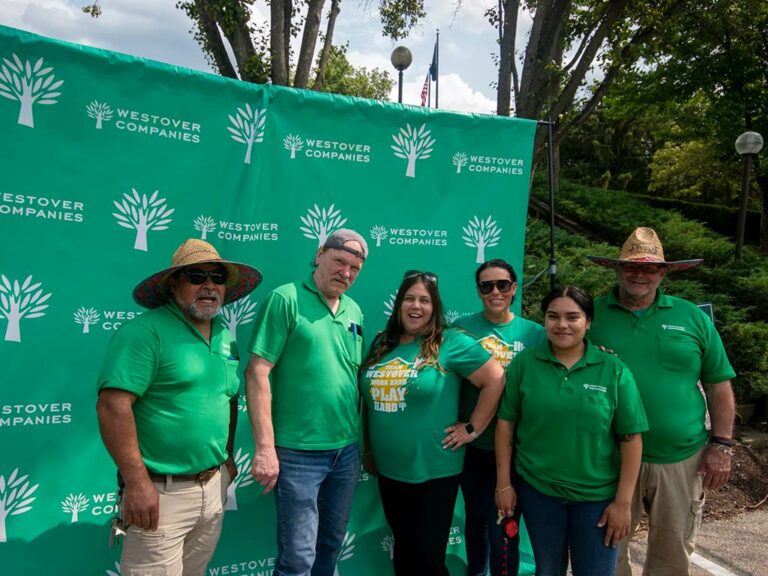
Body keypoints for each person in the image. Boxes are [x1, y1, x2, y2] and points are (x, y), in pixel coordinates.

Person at [97, 238, 262, 576]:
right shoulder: (144, 333)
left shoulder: (224, 336)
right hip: (160, 494)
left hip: (213, 488)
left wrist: (227, 457)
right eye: (197, 276)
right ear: (174, 285)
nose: (209, 285)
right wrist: (138, 483)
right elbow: (113, 407)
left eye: (217, 278)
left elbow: (229, 398)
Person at [586, 227, 737, 576]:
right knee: (607, 549)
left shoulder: (691, 317)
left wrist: (723, 445)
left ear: (663, 273)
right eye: (631, 267)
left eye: (650, 268)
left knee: (673, 554)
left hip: (681, 457)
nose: (639, 274)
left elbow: (718, 384)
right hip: (608, 457)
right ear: (617, 270)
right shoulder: (589, 316)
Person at [360, 270, 505, 576]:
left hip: (433, 471)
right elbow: (368, 405)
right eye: (409, 298)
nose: (416, 306)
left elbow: (495, 380)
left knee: (427, 559)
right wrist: (369, 451)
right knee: (405, 552)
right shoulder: (380, 345)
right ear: (399, 304)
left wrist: (472, 428)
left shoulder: (449, 341)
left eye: (425, 300)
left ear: (434, 307)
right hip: (388, 471)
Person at [495, 286, 648, 576]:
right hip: (539, 492)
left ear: (588, 321)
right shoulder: (525, 364)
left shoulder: (613, 369)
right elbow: (506, 423)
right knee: (547, 570)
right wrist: (504, 484)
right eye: (553, 316)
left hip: (597, 499)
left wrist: (622, 504)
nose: (561, 324)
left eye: (572, 317)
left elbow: (631, 438)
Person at [246, 229, 367, 576]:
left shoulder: (354, 309)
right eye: (339, 262)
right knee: (297, 559)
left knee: (330, 545)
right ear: (319, 254)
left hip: (345, 452)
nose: (345, 273)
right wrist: (265, 448)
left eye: (354, 268)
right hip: (298, 454)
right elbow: (257, 373)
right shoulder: (285, 299)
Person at [454, 259, 546, 576]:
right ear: (479, 291)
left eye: (502, 285)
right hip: (475, 446)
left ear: (514, 288)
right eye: (486, 285)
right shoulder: (460, 329)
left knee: (504, 524)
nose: (495, 291)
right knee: (476, 518)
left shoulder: (535, 334)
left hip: (515, 448)